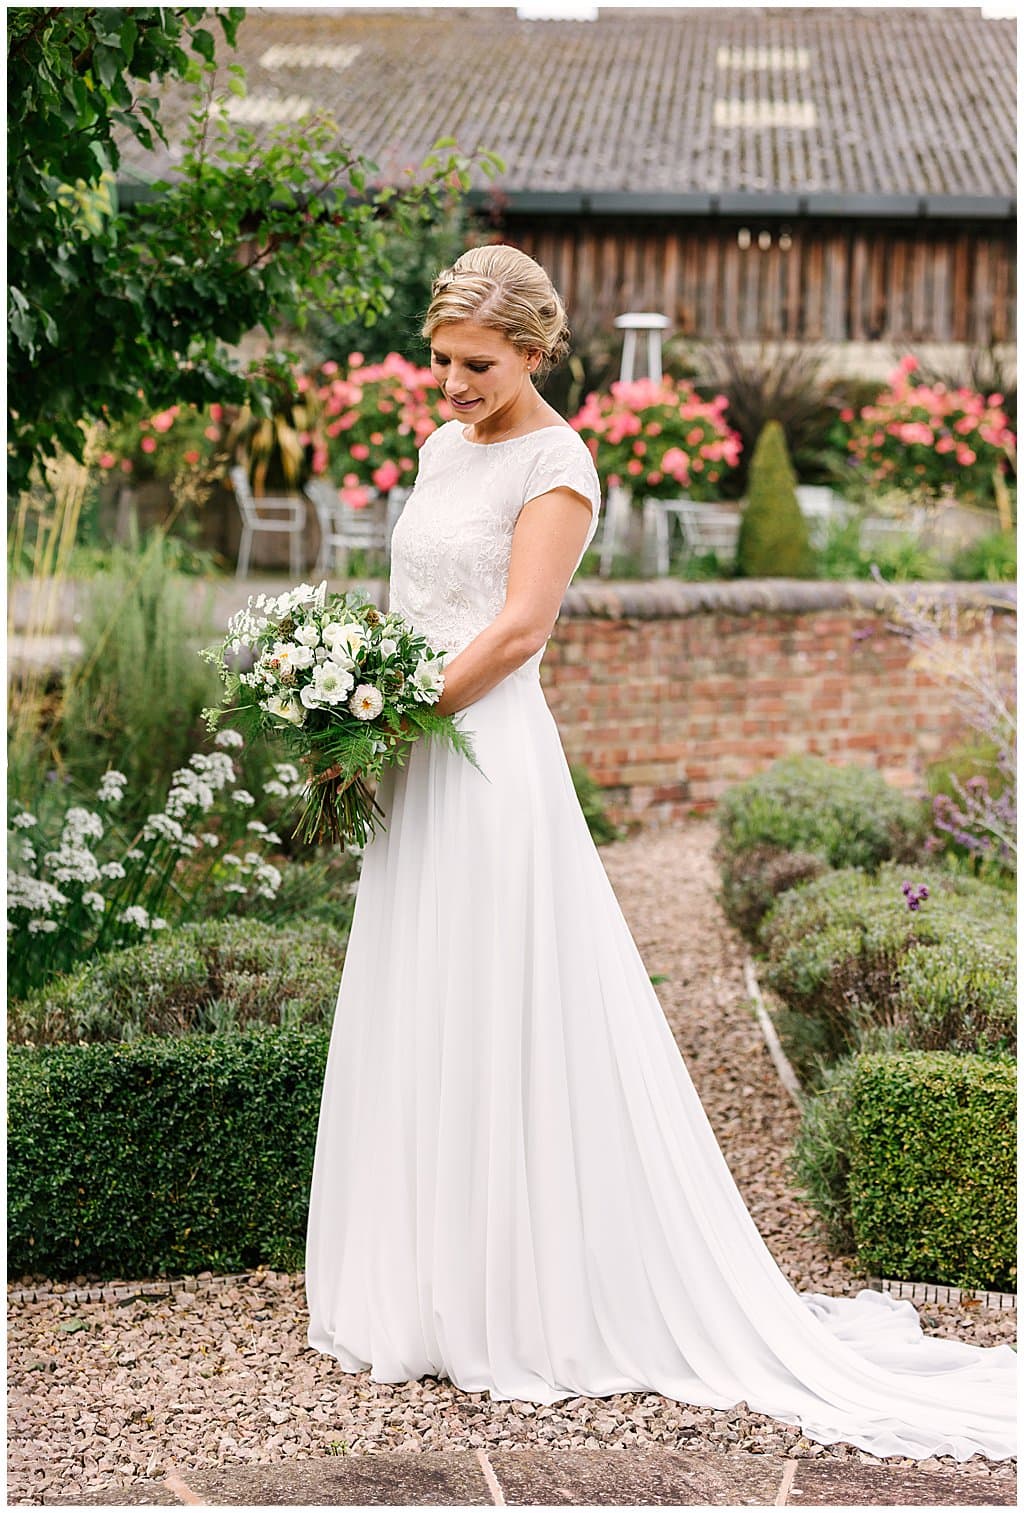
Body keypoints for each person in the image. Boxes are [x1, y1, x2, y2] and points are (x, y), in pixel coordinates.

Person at [304, 244, 1015, 1463]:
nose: (454, 383)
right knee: (420, 996)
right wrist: (350, 691)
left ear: (534, 349)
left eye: (477, 364)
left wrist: (389, 712)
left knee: (497, 1002)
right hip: (413, 751)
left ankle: (522, 1294)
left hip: (481, 759)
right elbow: (416, 599)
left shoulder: (560, 465)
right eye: (442, 361)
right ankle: (417, 1281)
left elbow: (519, 628)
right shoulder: (437, 449)